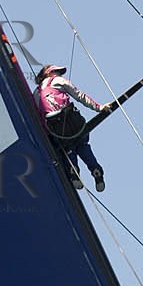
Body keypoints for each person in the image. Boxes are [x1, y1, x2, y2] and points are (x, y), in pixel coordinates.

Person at [34, 63, 109, 191]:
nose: (59, 74)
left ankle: (73, 170)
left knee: (67, 147)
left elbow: (40, 118)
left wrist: (51, 140)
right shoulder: (58, 80)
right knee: (82, 143)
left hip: (57, 130)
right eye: (56, 71)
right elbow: (79, 95)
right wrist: (99, 107)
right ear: (48, 72)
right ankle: (95, 168)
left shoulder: (35, 93)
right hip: (73, 121)